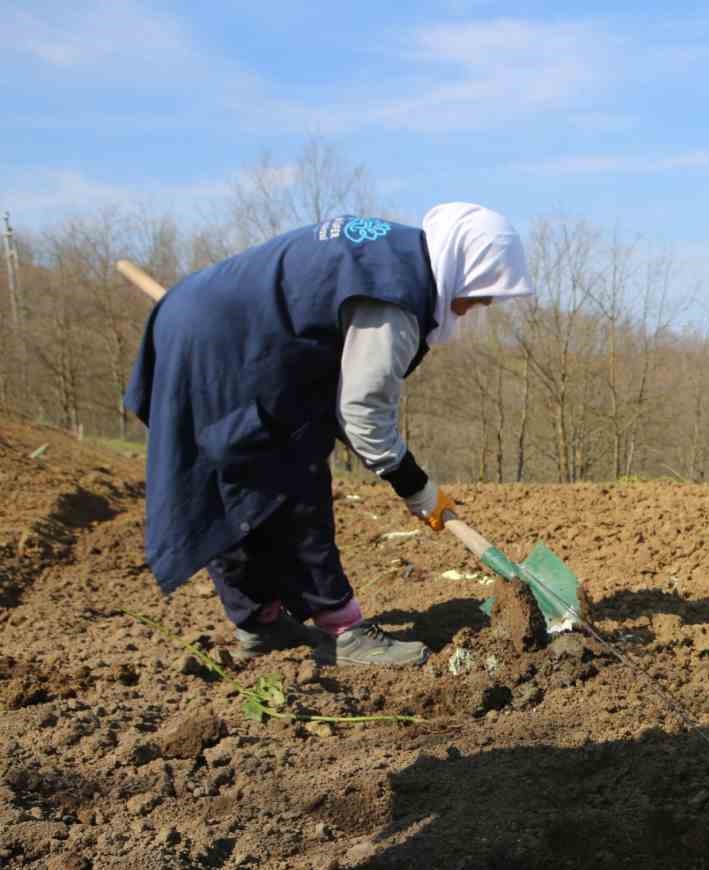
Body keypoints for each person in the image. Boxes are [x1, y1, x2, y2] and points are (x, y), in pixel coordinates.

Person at [123, 204, 534, 667]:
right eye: (480, 296)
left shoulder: (392, 256)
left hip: (197, 319)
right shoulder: (393, 297)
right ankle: (342, 630)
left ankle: (260, 622)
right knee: (292, 478)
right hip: (221, 347)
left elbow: (343, 397)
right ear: (465, 268)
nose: (477, 308)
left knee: (237, 480)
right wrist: (415, 485)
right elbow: (361, 412)